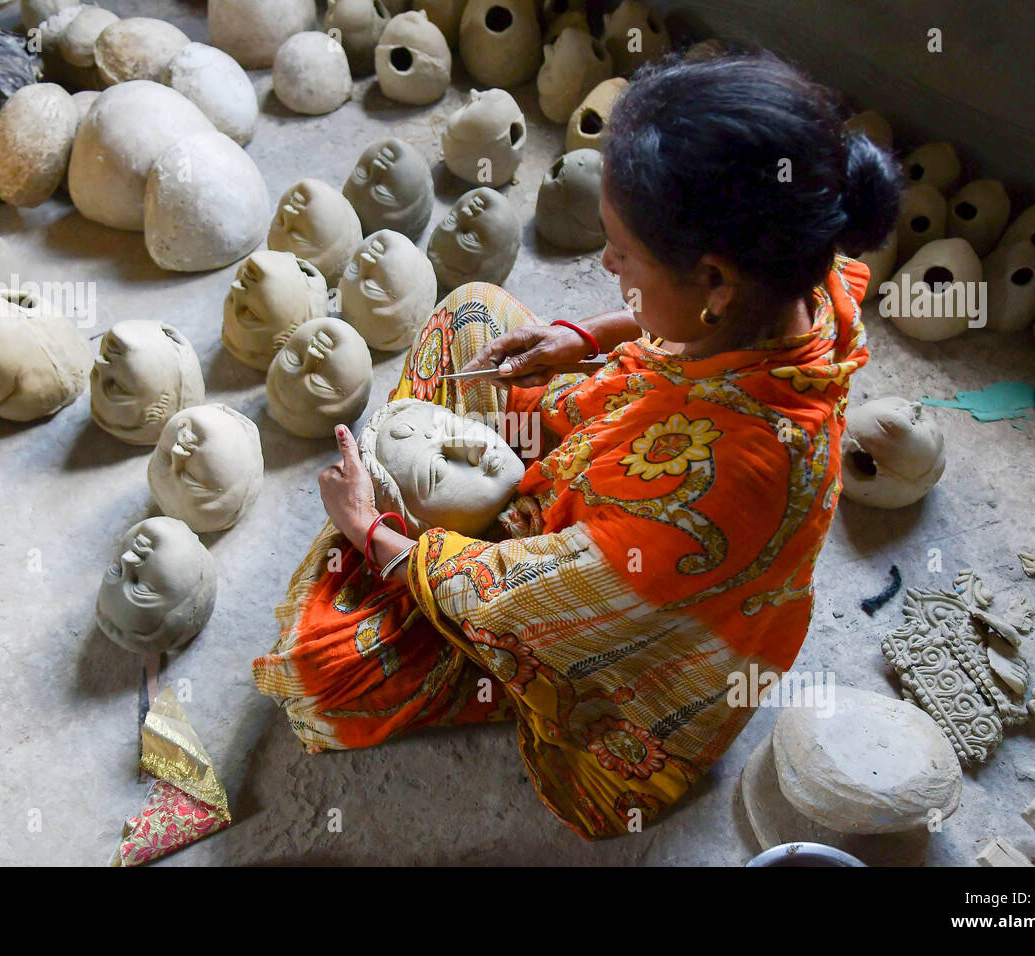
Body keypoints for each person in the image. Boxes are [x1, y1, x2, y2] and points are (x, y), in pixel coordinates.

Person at [253, 51, 902, 839]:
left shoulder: (718, 489)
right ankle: (415, 492)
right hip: (630, 432)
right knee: (474, 316)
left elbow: (504, 601)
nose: (605, 265)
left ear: (715, 281)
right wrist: (589, 332)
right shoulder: (798, 267)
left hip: (629, 632)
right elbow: (678, 325)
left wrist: (369, 529)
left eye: (623, 253)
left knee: (323, 673)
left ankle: (395, 514)